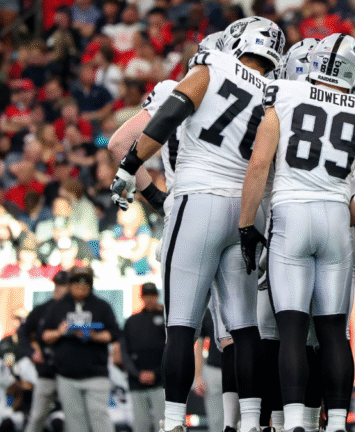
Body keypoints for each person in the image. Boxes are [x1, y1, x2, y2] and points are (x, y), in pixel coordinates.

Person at [109, 18, 285, 432]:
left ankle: (173, 423)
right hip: (246, 209)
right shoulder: (277, 93)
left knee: (182, 326)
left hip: (196, 200)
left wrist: (132, 167)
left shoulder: (211, 67)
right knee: (244, 326)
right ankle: (250, 423)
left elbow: (165, 116)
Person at [237, 33, 355, 432]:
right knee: (335, 329)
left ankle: (295, 422)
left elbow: (259, 164)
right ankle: (336, 422)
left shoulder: (283, 93)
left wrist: (246, 222)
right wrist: (346, 216)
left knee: (292, 329)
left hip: (291, 214)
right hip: (336, 216)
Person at [41, 266, 120, 432]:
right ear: (70, 285)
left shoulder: (101, 306)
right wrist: (60, 332)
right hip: (67, 375)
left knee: (99, 417)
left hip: (95, 374)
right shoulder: (58, 306)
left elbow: (113, 334)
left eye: (84, 286)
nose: (80, 289)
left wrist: (94, 336)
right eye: (77, 285)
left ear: (90, 287)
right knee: (74, 422)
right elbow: (45, 335)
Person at [22, 270, 69, 432]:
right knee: (37, 417)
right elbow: (23, 332)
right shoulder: (43, 309)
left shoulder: (77, 310)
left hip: (70, 372)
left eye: (63, 285)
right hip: (47, 371)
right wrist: (31, 352)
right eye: (57, 284)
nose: (59, 288)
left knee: (72, 418)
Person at [121, 282, 166, 432]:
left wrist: (157, 372)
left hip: (161, 381)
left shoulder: (167, 320)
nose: (150, 299)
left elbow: (172, 351)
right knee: (141, 424)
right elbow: (124, 351)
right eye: (146, 296)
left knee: (163, 422)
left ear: (157, 296)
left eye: (152, 295)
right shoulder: (132, 321)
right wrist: (136, 373)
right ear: (142, 297)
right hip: (137, 381)